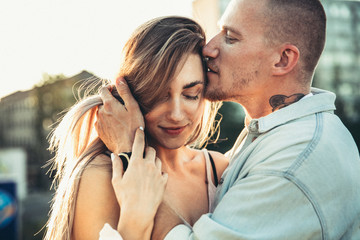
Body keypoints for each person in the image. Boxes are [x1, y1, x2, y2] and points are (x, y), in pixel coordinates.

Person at [96, 0, 360, 239]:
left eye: (230, 38)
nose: (209, 48)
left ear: (282, 59)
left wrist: (131, 151)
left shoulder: (294, 161)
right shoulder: (275, 132)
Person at [43, 16, 228, 240]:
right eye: (159, 96)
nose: (176, 114)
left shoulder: (219, 170)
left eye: (190, 95)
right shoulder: (101, 175)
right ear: (129, 95)